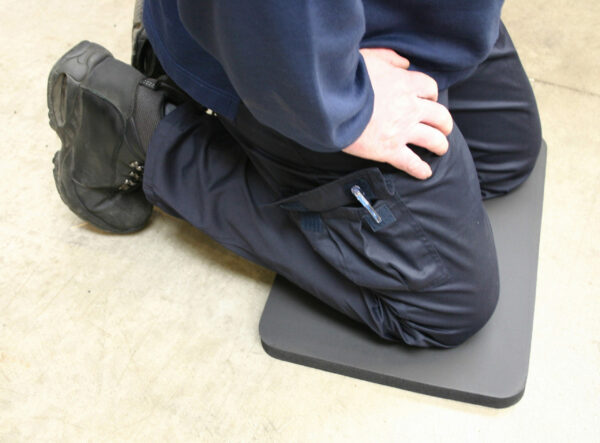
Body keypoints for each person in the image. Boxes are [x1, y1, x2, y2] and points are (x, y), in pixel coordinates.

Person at [47, 1, 541, 348]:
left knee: (506, 156)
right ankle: (140, 131)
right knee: (449, 305)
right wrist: (345, 103)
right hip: (296, 53)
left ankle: (184, 39)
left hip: (406, 15)